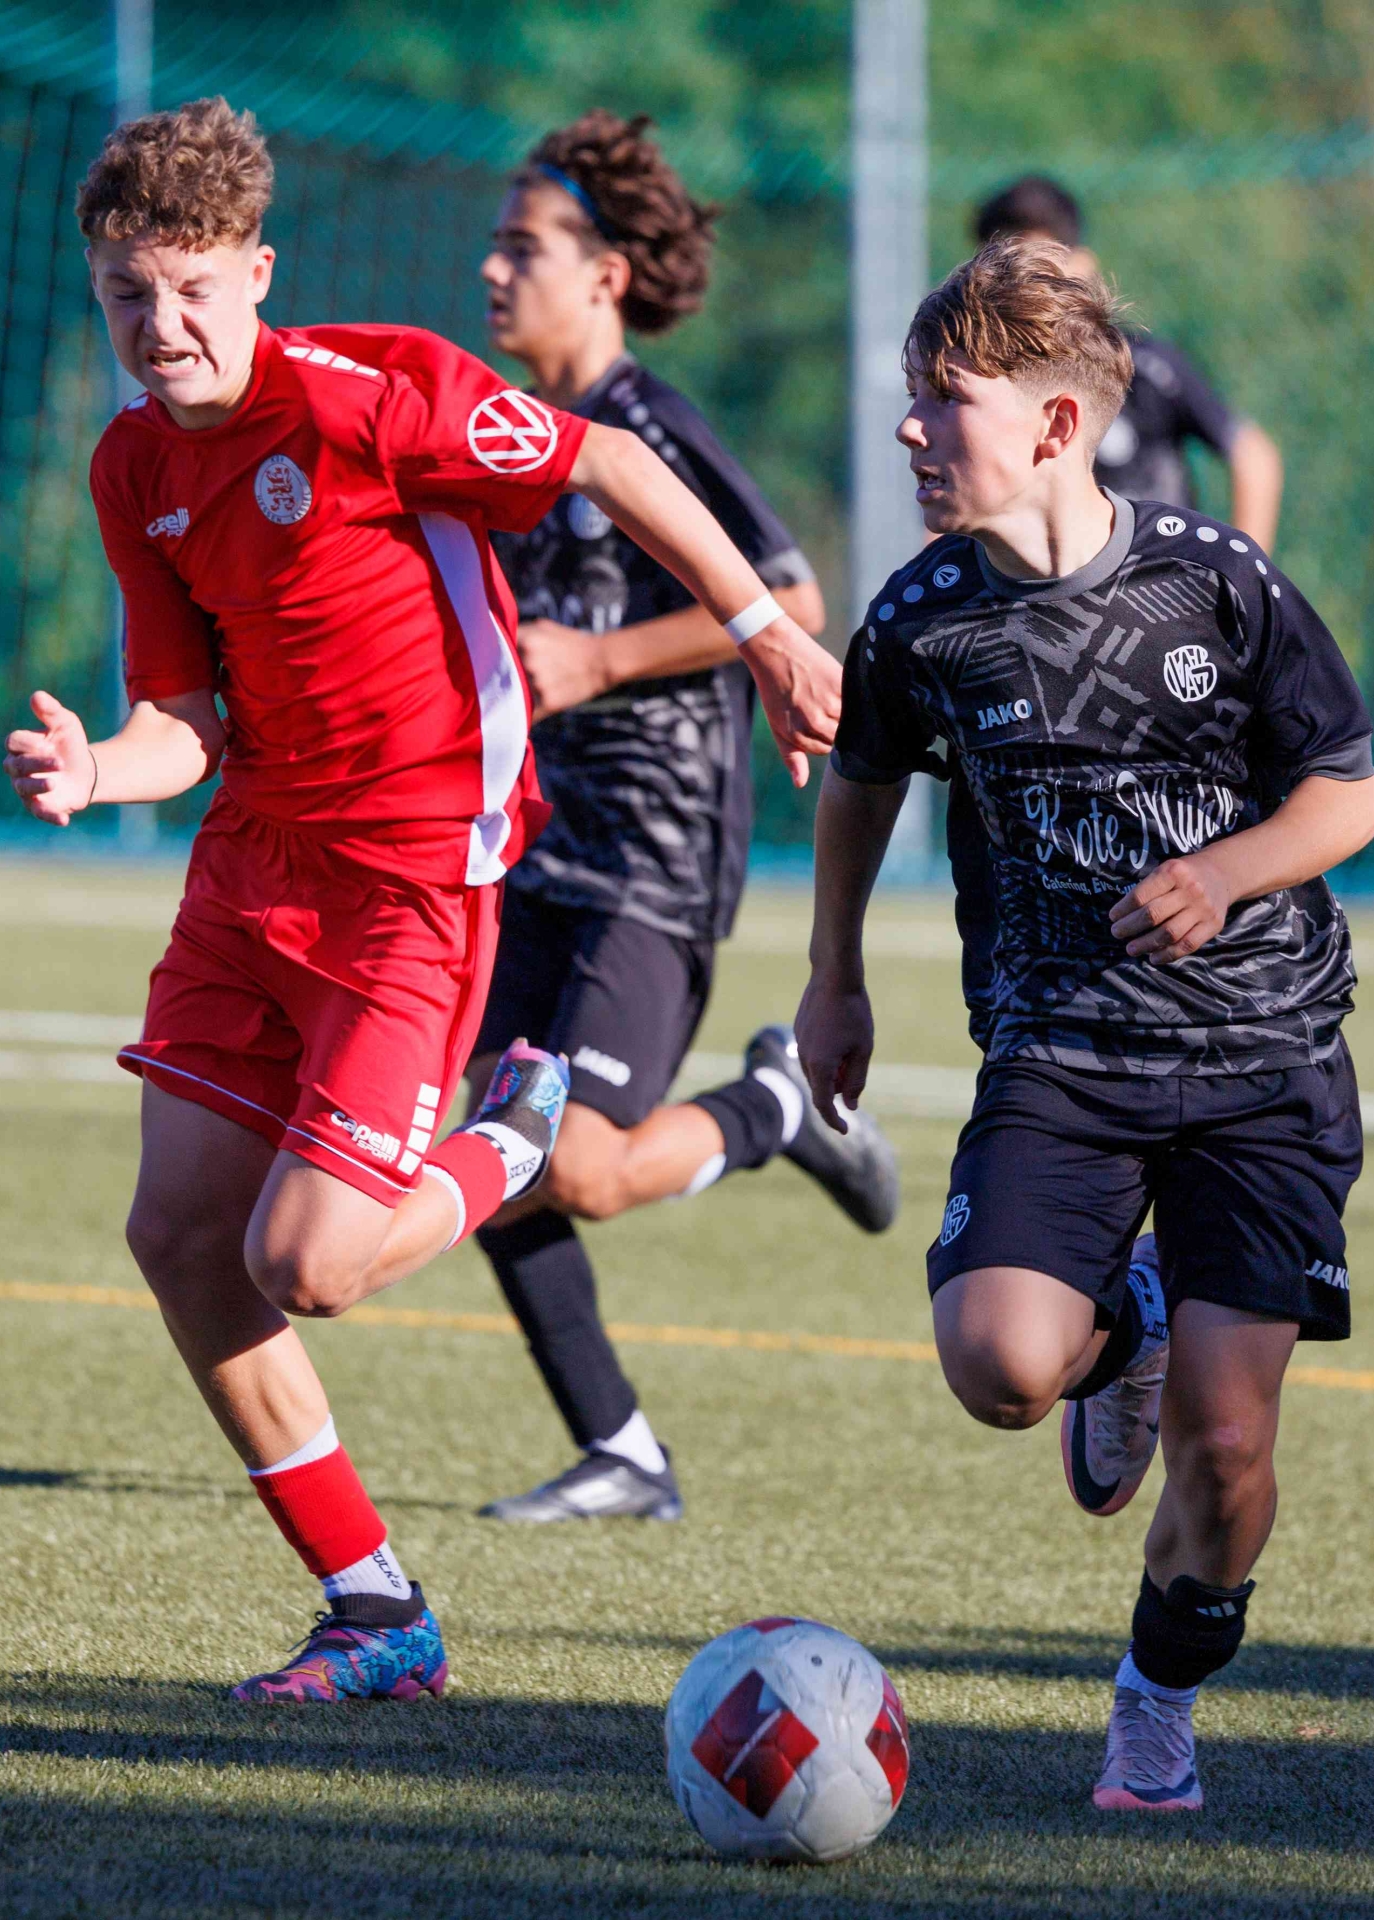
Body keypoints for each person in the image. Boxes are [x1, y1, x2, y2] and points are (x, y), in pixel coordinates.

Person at [1, 98, 842, 1703]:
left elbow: (608, 457)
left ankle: (513, 1134)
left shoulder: (366, 396)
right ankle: (375, 1609)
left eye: (192, 288)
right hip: (253, 870)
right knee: (180, 1236)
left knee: (309, 1264)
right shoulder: (134, 466)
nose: (162, 325)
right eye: (127, 292)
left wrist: (767, 637)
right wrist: (95, 771)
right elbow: (184, 719)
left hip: (414, 884)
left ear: (258, 275)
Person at [797, 237, 1374, 1811]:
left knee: (1229, 1453)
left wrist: (1226, 872)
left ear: (1057, 425)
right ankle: (1122, 1323)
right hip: (1059, 1053)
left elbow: (1350, 795)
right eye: (912, 396)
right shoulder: (924, 620)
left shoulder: (1217, 582)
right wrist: (834, 975)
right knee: (1000, 1364)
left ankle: (1156, 1698)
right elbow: (858, 783)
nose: (911, 427)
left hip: (1262, 1059)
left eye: (946, 399)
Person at [464, 110, 901, 1525]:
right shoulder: (510, 433)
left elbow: (794, 597)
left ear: (603, 275)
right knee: (487, 1153)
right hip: (537, 848)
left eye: (524, 248)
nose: (493, 269)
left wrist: (600, 661)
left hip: (653, 858)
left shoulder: (648, 427)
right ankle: (622, 1454)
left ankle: (778, 1105)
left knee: (578, 1167)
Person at [975, 175, 1284, 551]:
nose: (1021, 288)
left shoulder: (1149, 368)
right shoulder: (985, 382)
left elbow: (1253, 457)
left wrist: (1241, 571)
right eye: (1002, 274)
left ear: (1082, 265)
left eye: (1038, 268)